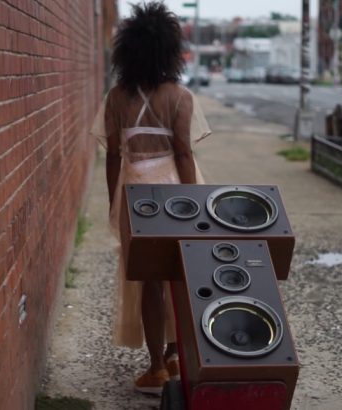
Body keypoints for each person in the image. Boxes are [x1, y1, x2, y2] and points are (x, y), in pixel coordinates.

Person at [91, 1, 211, 395]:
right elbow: (184, 154)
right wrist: (195, 203)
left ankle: (157, 367)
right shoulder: (180, 97)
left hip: (136, 195)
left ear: (128, 50)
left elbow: (112, 156)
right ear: (169, 50)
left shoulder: (116, 98)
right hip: (176, 192)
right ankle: (176, 355)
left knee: (149, 281)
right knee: (180, 272)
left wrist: (115, 201)